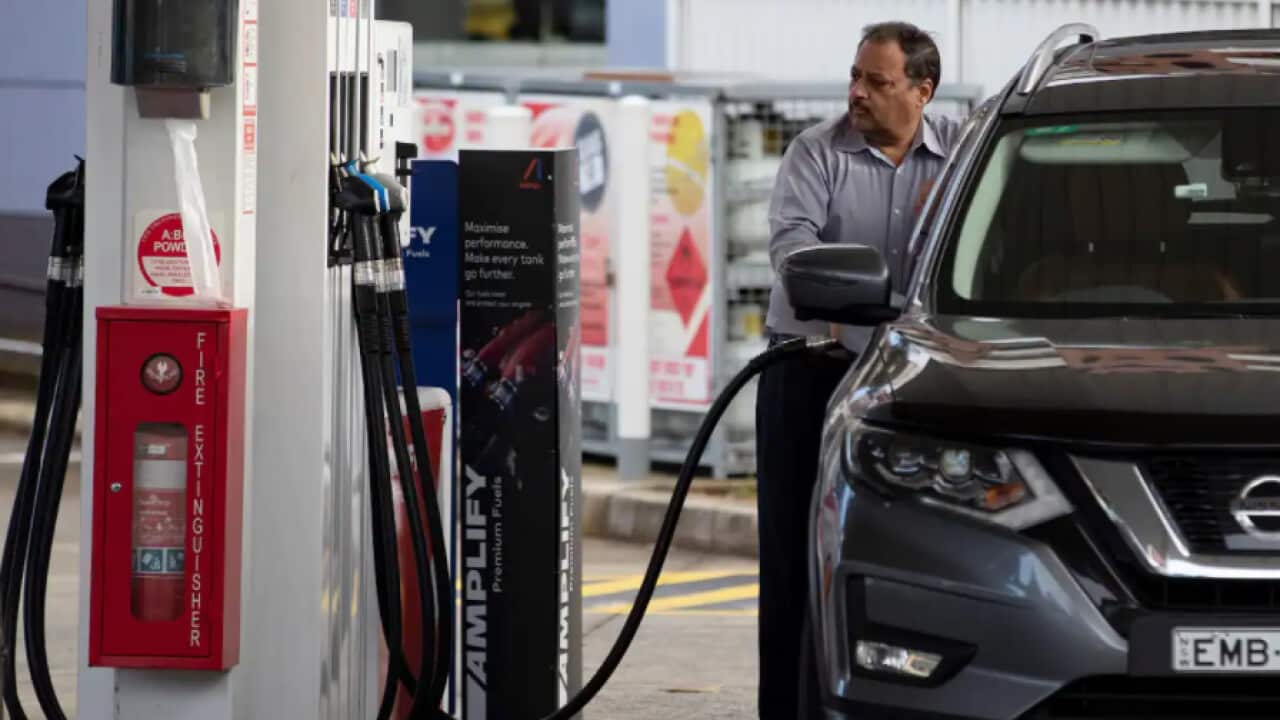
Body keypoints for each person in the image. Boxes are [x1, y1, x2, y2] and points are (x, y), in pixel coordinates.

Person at [755, 21, 962, 718]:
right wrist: (867, 320)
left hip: (926, 386)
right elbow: (792, 253)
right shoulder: (818, 153)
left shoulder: (963, 152)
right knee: (793, 561)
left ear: (922, 91)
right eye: (855, 77)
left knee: (931, 559)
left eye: (877, 81)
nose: (857, 93)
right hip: (813, 371)